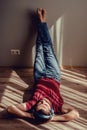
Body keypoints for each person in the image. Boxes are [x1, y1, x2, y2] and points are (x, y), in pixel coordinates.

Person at [7, 8, 79, 122]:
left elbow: (10, 109)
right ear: (51, 111)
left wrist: (28, 115)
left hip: (39, 75)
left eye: (40, 104)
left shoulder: (32, 103)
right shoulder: (58, 106)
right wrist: (52, 118)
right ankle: (42, 21)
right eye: (45, 105)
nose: (43, 101)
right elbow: (75, 114)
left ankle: (41, 23)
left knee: (40, 48)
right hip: (54, 75)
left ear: (35, 108)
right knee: (48, 48)